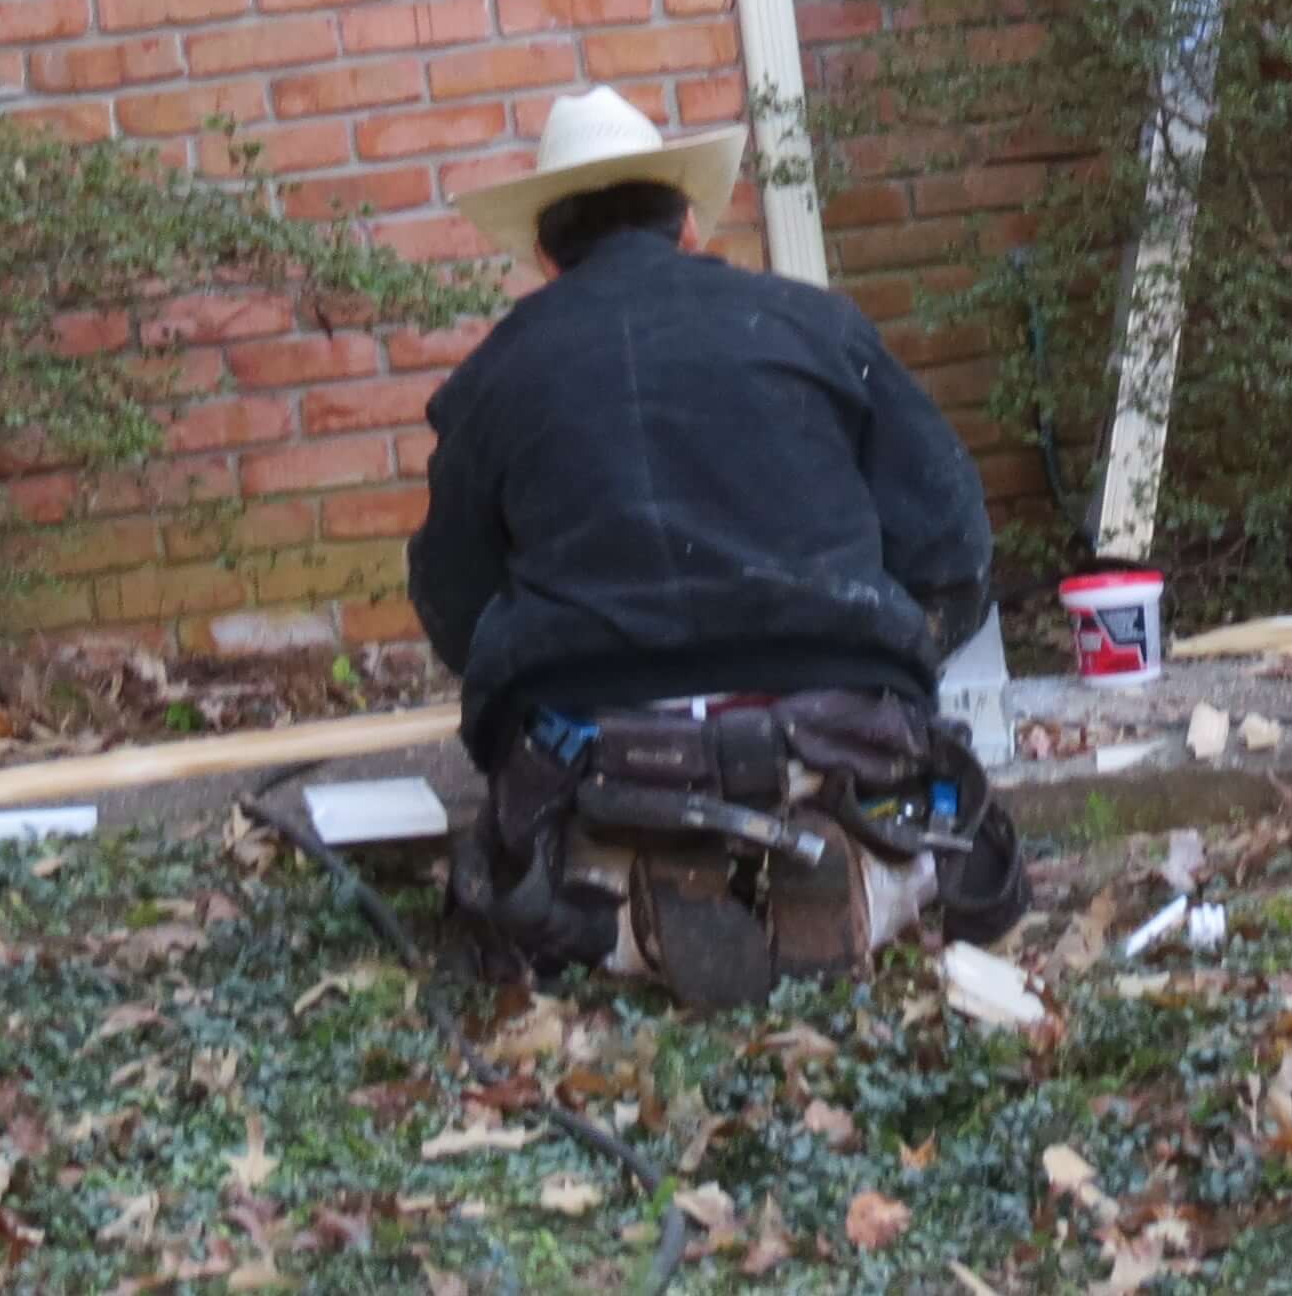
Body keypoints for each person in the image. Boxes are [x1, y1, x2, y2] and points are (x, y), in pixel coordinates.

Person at [413, 87, 1023, 1002]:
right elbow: (953, 541)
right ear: (690, 225)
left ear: (545, 256)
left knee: (551, 865)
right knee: (905, 807)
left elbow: (454, 608)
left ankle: (627, 905)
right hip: (834, 716)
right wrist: (902, 658)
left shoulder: (495, 375)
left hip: (601, 736)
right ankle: (851, 868)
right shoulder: (817, 326)